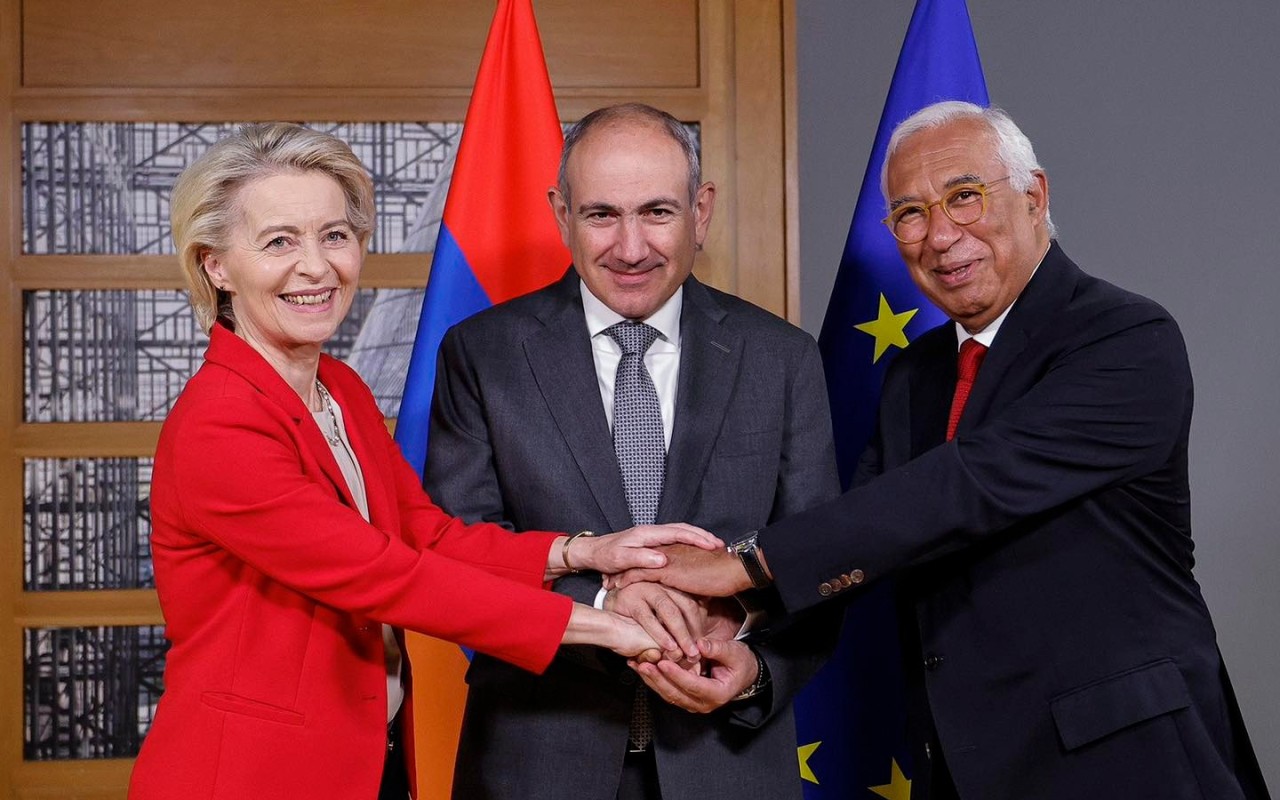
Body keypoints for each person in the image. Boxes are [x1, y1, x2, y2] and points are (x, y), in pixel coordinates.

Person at [612, 101, 1270, 799]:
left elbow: (965, 487)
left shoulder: (1125, 339)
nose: (941, 235)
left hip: (1126, 763)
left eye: (964, 197)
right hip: (963, 765)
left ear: (1034, 196)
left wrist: (740, 563)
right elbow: (867, 537)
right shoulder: (917, 373)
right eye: (910, 214)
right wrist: (745, 639)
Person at [127, 122, 723, 800]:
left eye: (334, 235)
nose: (317, 266)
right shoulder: (219, 423)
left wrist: (583, 552)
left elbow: (425, 535)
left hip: (363, 761)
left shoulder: (339, 388)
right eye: (279, 242)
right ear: (215, 265)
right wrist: (608, 624)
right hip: (248, 775)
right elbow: (383, 574)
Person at [424, 103, 840, 800]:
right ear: (562, 215)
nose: (630, 246)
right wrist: (606, 600)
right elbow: (457, 549)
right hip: (536, 760)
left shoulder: (782, 359)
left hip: (727, 762)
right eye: (601, 215)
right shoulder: (483, 355)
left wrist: (755, 667)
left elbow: (819, 559)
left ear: (701, 212)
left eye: (656, 212)